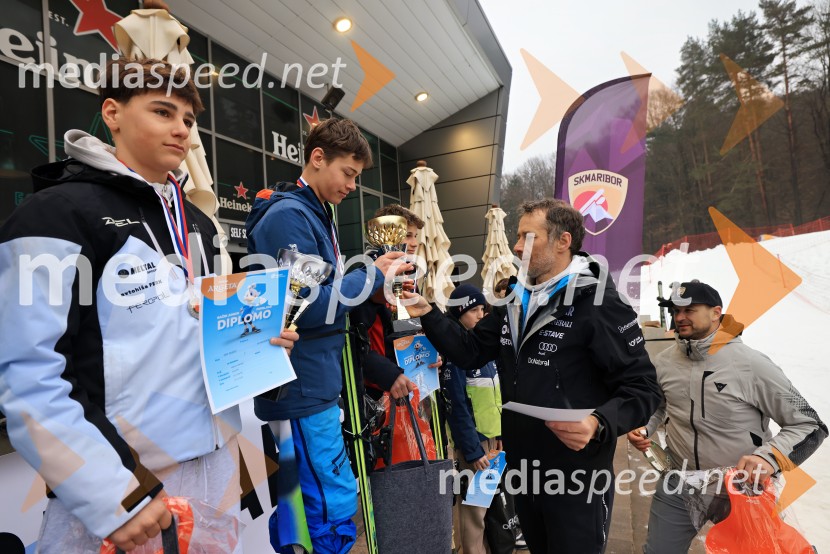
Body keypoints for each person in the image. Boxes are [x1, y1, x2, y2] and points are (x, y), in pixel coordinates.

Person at [0, 58, 297, 553]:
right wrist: (117, 494)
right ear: (112, 113)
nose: (181, 129)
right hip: (126, 477)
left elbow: (195, 334)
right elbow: (30, 378)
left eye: (188, 119)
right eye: (163, 112)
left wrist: (256, 340)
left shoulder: (196, 223)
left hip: (215, 461)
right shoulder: (55, 213)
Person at [403, 198, 661, 554]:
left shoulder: (599, 303)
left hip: (577, 478)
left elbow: (645, 388)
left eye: (528, 237)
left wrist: (598, 422)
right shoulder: (515, 299)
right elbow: (469, 351)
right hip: (524, 471)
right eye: (517, 236)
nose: (516, 246)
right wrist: (428, 313)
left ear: (562, 241)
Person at [245, 118, 411, 552]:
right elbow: (307, 306)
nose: (353, 186)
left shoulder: (315, 212)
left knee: (306, 507)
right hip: (299, 387)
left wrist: (372, 280)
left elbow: (324, 295)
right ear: (318, 158)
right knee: (326, 508)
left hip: (313, 384)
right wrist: (371, 276)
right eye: (349, 174)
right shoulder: (289, 216)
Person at [627, 280, 828, 553]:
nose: (680, 317)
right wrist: (645, 426)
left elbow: (810, 425)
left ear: (716, 312)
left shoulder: (751, 365)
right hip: (680, 482)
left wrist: (767, 458)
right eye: (676, 310)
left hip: (741, 490)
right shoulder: (664, 362)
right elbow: (660, 405)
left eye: (690, 309)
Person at [441, 283, 518, 554]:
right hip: (474, 446)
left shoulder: (484, 348)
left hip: (492, 442)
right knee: (473, 510)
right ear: (460, 313)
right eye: (474, 310)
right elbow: (457, 407)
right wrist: (472, 450)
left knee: (486, 507)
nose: (481, 315)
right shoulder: (456, 355)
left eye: (483, 309)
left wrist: (501, 436)